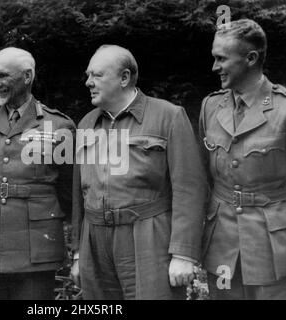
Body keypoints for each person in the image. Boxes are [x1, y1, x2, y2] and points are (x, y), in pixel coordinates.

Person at [70, 45, 207, 299]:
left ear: (124, 78)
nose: (88, 82)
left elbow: (190, 188)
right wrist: (79, 252)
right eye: (88, 75)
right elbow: (79, 194)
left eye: (97, 75)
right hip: (95, 243)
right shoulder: (87, 123)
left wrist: (183, 254)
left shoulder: (169, 116)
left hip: (148, 239)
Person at [0, 47, 75, 300]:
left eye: (3, 76)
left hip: (36, 251)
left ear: (27, 76)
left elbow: (70, 190)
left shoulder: (59, 126)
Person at [200, 19, 286, 300]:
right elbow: (202, 176)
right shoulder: (211, 106)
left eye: (221, 58)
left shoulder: (283, 110)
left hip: (273, 245)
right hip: (222, 243)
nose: (214, 67)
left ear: (250, 58)